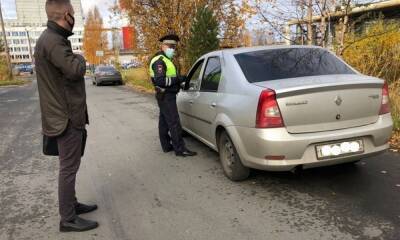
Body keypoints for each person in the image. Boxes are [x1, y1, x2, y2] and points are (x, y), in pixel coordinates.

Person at [34, 0, 98, 232]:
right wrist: (80, 57)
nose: (74, 17)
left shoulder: (53, 39)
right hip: (66, 117)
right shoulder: (53, 41)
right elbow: (75, 69)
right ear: (65, 15)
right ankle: (68, 219)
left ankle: (71, 204)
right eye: (72, 13)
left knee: (70, 165)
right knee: (68, 167)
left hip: (65, 114)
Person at [149, 34, 197, 157]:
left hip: (165, 95)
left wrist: (179, 83)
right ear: (163, 46)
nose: (173, 49)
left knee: (164, 121)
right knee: (174, 122)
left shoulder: (165, 60)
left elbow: (167, 79)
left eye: (174, 47)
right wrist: (178, 79)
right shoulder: (160, 61)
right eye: (170, 46)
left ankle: (166, 146)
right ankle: (180, 149)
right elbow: (161, 81)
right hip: (166, 96)